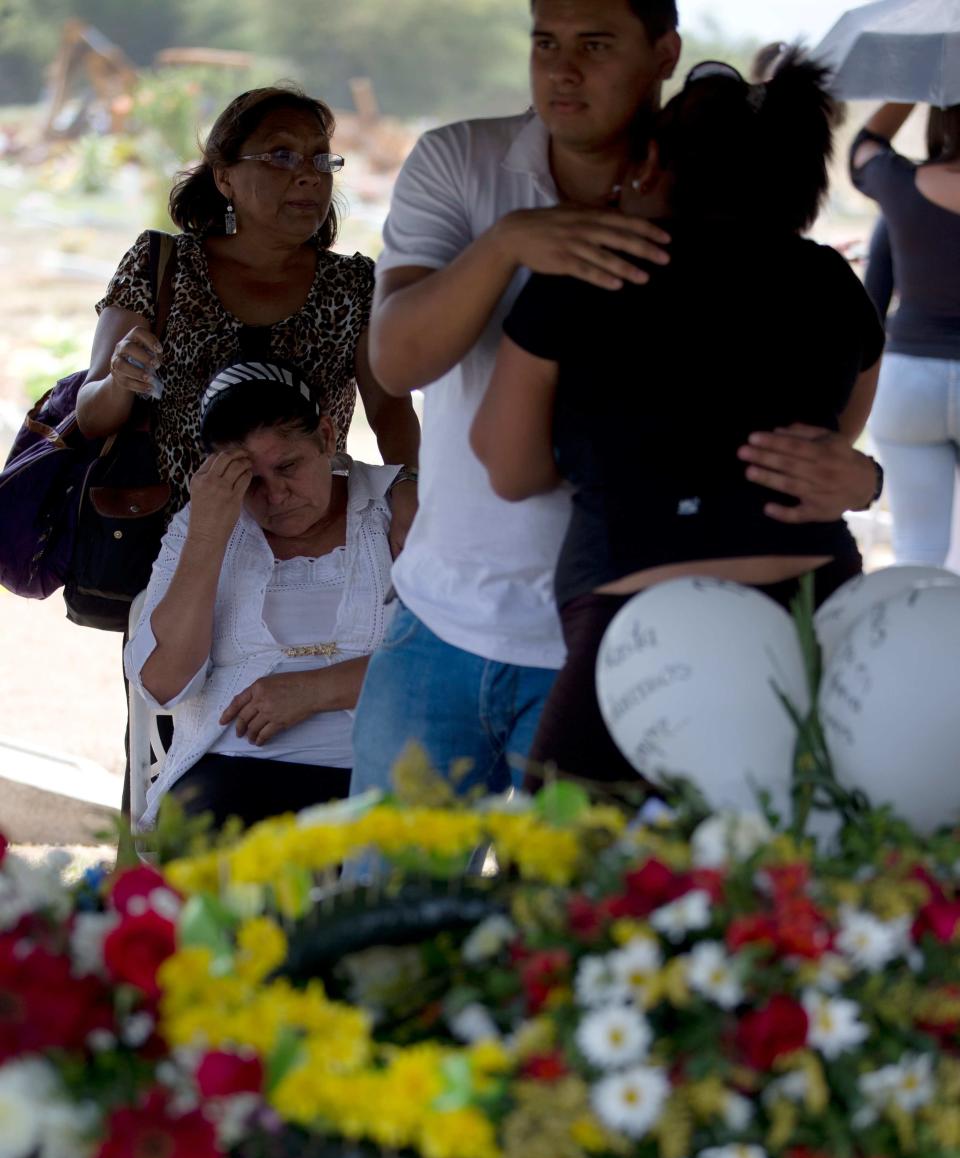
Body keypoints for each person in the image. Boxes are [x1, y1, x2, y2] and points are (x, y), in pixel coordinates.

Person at [351, 0, 883, 804]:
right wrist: (509, 243)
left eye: (594, 45)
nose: (563, 69)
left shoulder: (597, 273)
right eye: (546, 43)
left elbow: (513, 466)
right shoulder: (833, 283)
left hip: (618, 623)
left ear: (663, 57)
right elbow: (826, 446)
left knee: (566, 887)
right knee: (750, 877)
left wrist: (859, 478)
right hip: (465, 613)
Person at [77, 85, 419, 553]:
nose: (308, 176)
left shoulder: (356, 284)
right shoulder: (163, 267)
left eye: (320, 159)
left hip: (313, 547)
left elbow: (390, 411)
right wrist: (121, 379)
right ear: (224, 178)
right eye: (281, 156)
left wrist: (411, 490)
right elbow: (91, 416)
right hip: (180, 552)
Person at [125, 360, 397, 829]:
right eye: (250, 479)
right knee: (213, 842)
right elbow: (161, 686)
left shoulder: (394, 508)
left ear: (327, 437)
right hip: (232, 771)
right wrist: (209, 534)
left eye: (288, 466)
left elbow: (455, 657)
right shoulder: (206, 523)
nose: (275, 495)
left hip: (385, 769)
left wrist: (314, 690)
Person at [851, 101, 960, 566]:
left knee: (918, 550)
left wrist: (909, 83)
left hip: (909, 379)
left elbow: (863, 148)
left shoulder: (899, 184)